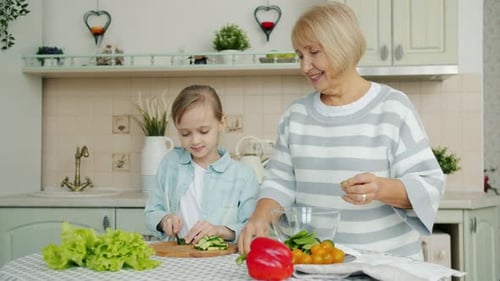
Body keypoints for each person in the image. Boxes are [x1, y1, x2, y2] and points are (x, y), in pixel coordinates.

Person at [238, 2, 444, 260]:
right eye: (300, 56)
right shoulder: (296, 115)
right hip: (315, 266)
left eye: (313, 52)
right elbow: (278, 183)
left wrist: (380, 188)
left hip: (386, 267)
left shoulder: (393, 108)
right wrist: (260, 217)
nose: (305, 66)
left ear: (342, 46)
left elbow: (428, 185)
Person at [145, 85, 260, 244]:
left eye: (204, 131)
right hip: (177, 256)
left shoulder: (243, 175)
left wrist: (220, 230)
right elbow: (151, 212)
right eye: (185, 134)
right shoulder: (170, 163)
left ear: (222, 122)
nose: (195, 141)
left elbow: (252, 229)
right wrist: (164, 220)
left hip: (221, 260)